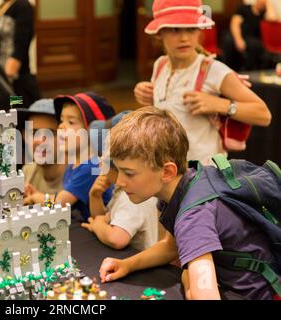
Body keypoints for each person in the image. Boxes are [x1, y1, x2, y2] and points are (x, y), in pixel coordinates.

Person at [99, 107, 281, 300]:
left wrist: (189, 283)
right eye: (118, 171)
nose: (119, 181)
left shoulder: (192, 216)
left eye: (129, 173)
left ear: (167, 171)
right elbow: (171, 247)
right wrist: (127, 264)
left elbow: (206, 296)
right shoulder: (184, 183)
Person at [134, 0, 272, 165]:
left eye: (191, 29)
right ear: (159, 33)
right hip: (167, 171)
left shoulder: (213, 70)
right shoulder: (160, 65)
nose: (184, 38)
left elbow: (264, 115)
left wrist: (220, 104)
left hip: (203, 177)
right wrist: (148, 97)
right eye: (175, 30)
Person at [24, 92, 115, 222]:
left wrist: (36, 198)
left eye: (71, 122)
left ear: (94, 132)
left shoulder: (91, 167)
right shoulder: (74, 165)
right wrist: (40, 196)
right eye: (61, 121)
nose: (61, 126)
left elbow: (58, 204)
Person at [82, 116, 159, 251]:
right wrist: (95, 196)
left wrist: (97, 225)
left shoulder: (133, 195)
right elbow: (107, 219)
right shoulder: (124, 189)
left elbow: (117, 238)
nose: (99, 163)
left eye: (101, 157)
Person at [0, 0, 41, 108]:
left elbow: (22, 42)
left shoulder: (23, 6)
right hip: (0, 65)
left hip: (14, 72)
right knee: (4, 108)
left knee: (16, 106)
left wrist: (9, 71)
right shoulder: (4, 5)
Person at [19, 99, 66, 196]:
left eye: (50, 133)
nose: (40, 141)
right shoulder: (27, 172)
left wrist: (36, 199)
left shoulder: (78, 175)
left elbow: (61, 205)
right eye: (34, 133)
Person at [222, 0, 269, 71]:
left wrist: (269, 5)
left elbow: (273, 17)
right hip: (236, 33)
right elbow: (235, 24)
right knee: (229, 41)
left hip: (251, 38)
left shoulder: (264, 13)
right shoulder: (244, 8)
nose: (262, 2)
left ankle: (249, 71)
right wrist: (238, 39)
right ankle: (227, 70)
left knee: (256, 45)